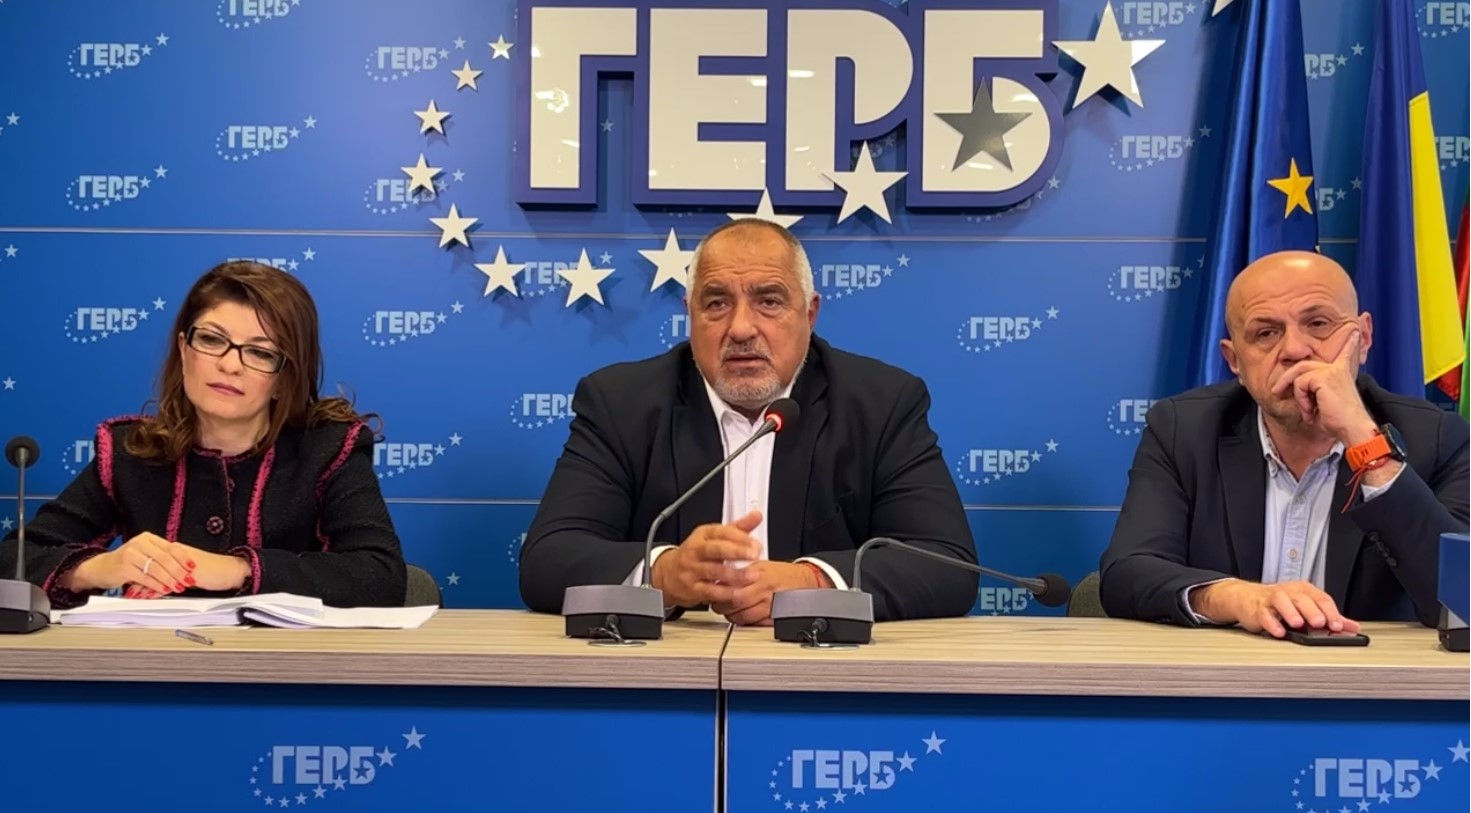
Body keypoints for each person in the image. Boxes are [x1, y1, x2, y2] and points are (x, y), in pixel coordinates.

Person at [519, 218, 978, 624]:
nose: (740, 328)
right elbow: (548, 559)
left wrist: (811, 583)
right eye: (717, 303)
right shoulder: (622, 404)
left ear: (810, 314)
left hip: (823, 671)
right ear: (690, 313)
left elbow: (948, 565)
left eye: (769, 302)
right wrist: (664, 573)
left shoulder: (881, 404)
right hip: (671, 673)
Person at [1100, 250, 1470, 635]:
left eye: (1318, 324)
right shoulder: (1184, 431)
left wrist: (1365, 443)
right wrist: (1235, 597)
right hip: (1226, 669)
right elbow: (1127, 573)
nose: (1295, 350)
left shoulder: (1438, 439)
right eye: (1266, 333)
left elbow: (1465, 600)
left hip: (1371, 671)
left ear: (1363, 339)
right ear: (1234, 361)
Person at [0, 261, 407, 609]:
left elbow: (380, 575)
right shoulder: (131, 452)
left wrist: (237, 569)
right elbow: (12, 561)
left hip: (286, 669)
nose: (230, 365)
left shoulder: (328, 448)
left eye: (260, 352)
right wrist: (97, 568)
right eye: (212, 340)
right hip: (158, 667)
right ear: (184, 349)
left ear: (285, 378)